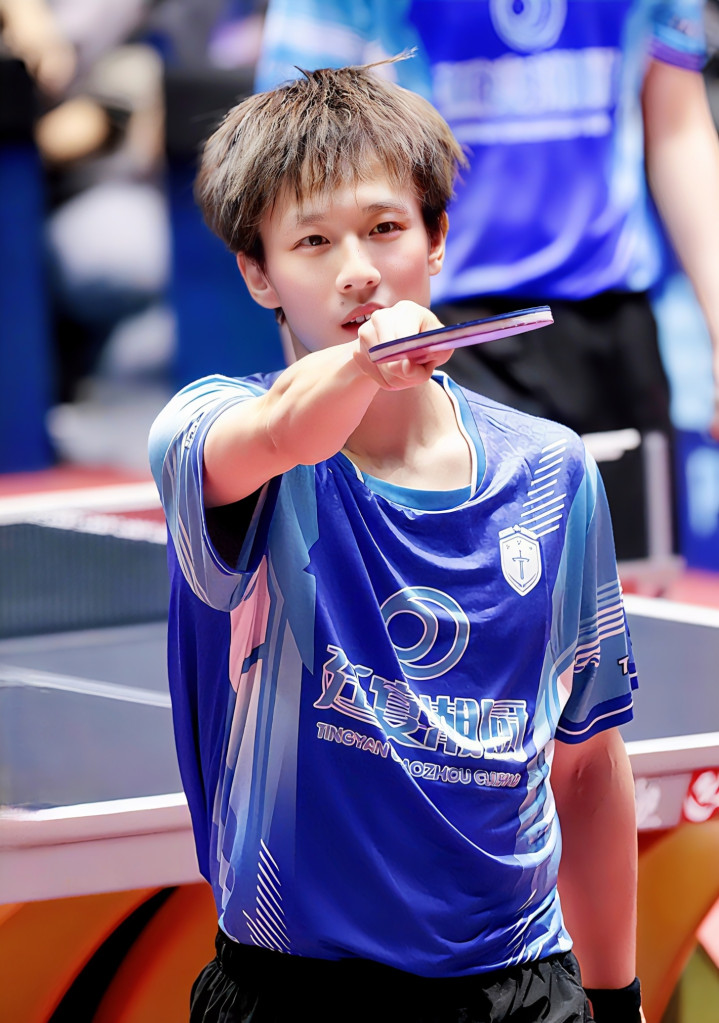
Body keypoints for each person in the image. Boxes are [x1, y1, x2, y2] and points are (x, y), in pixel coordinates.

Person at [149, 60, 643, 1023]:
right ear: (257, 272)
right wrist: (367, 367)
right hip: (293, 990)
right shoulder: (209, 438)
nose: (357, 269)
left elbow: (586, 761)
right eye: (312, 240)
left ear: (436, 239)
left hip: (519, 984)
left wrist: (615, 997)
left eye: (384, 228)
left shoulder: (550, 471)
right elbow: (287, 430)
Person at [255, 0, 719, 566]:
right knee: (452, 592)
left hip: (611, 323)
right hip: (434, 332)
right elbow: (290, 178)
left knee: (626, 589)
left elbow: (678, 126)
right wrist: (314, 412)